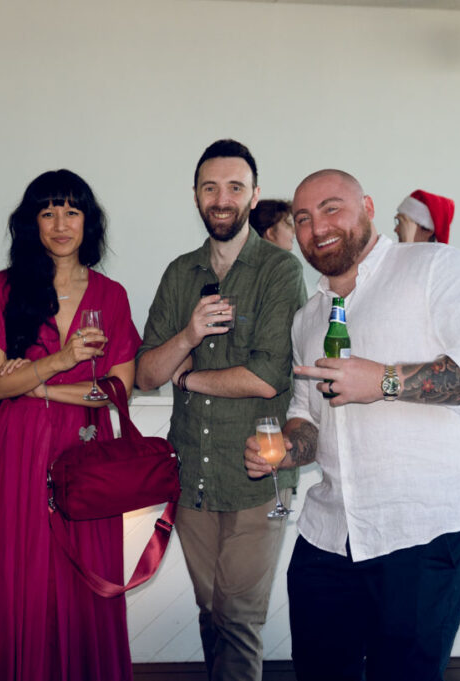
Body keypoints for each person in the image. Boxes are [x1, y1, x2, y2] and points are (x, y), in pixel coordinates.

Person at [244, 169, 460, 681]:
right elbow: (308, 417)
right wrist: (287, 448)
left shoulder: (435, 267)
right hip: (329, 534)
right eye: (302, 218)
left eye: (332, 208)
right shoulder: (308, 317)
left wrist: (385, 381)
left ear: (368, 207)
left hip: (423, 530)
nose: (317, 227)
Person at [136, 139, 306, 681]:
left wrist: (189, 376)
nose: (222, 198)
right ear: (195, 196)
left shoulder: (280, 271)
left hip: (258, 475)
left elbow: (267, 376)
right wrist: (188, 335)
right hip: (192, 475)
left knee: (238, 618)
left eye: (235, 187)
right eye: (210, 187)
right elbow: (145, 374)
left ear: (254, 196)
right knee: (211, 612)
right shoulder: (178, 273)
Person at [0, 169, 142, 681]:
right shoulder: (3, 289)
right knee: (20, 572)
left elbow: (116, 391)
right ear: (32, 223)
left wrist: (35, 385)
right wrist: (61, 361)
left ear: (89, 221)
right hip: (19, 450)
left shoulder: (112, 296)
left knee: (87, 573)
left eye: (71, 211)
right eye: (48, 213)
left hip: (87, 449)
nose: (61, 224)